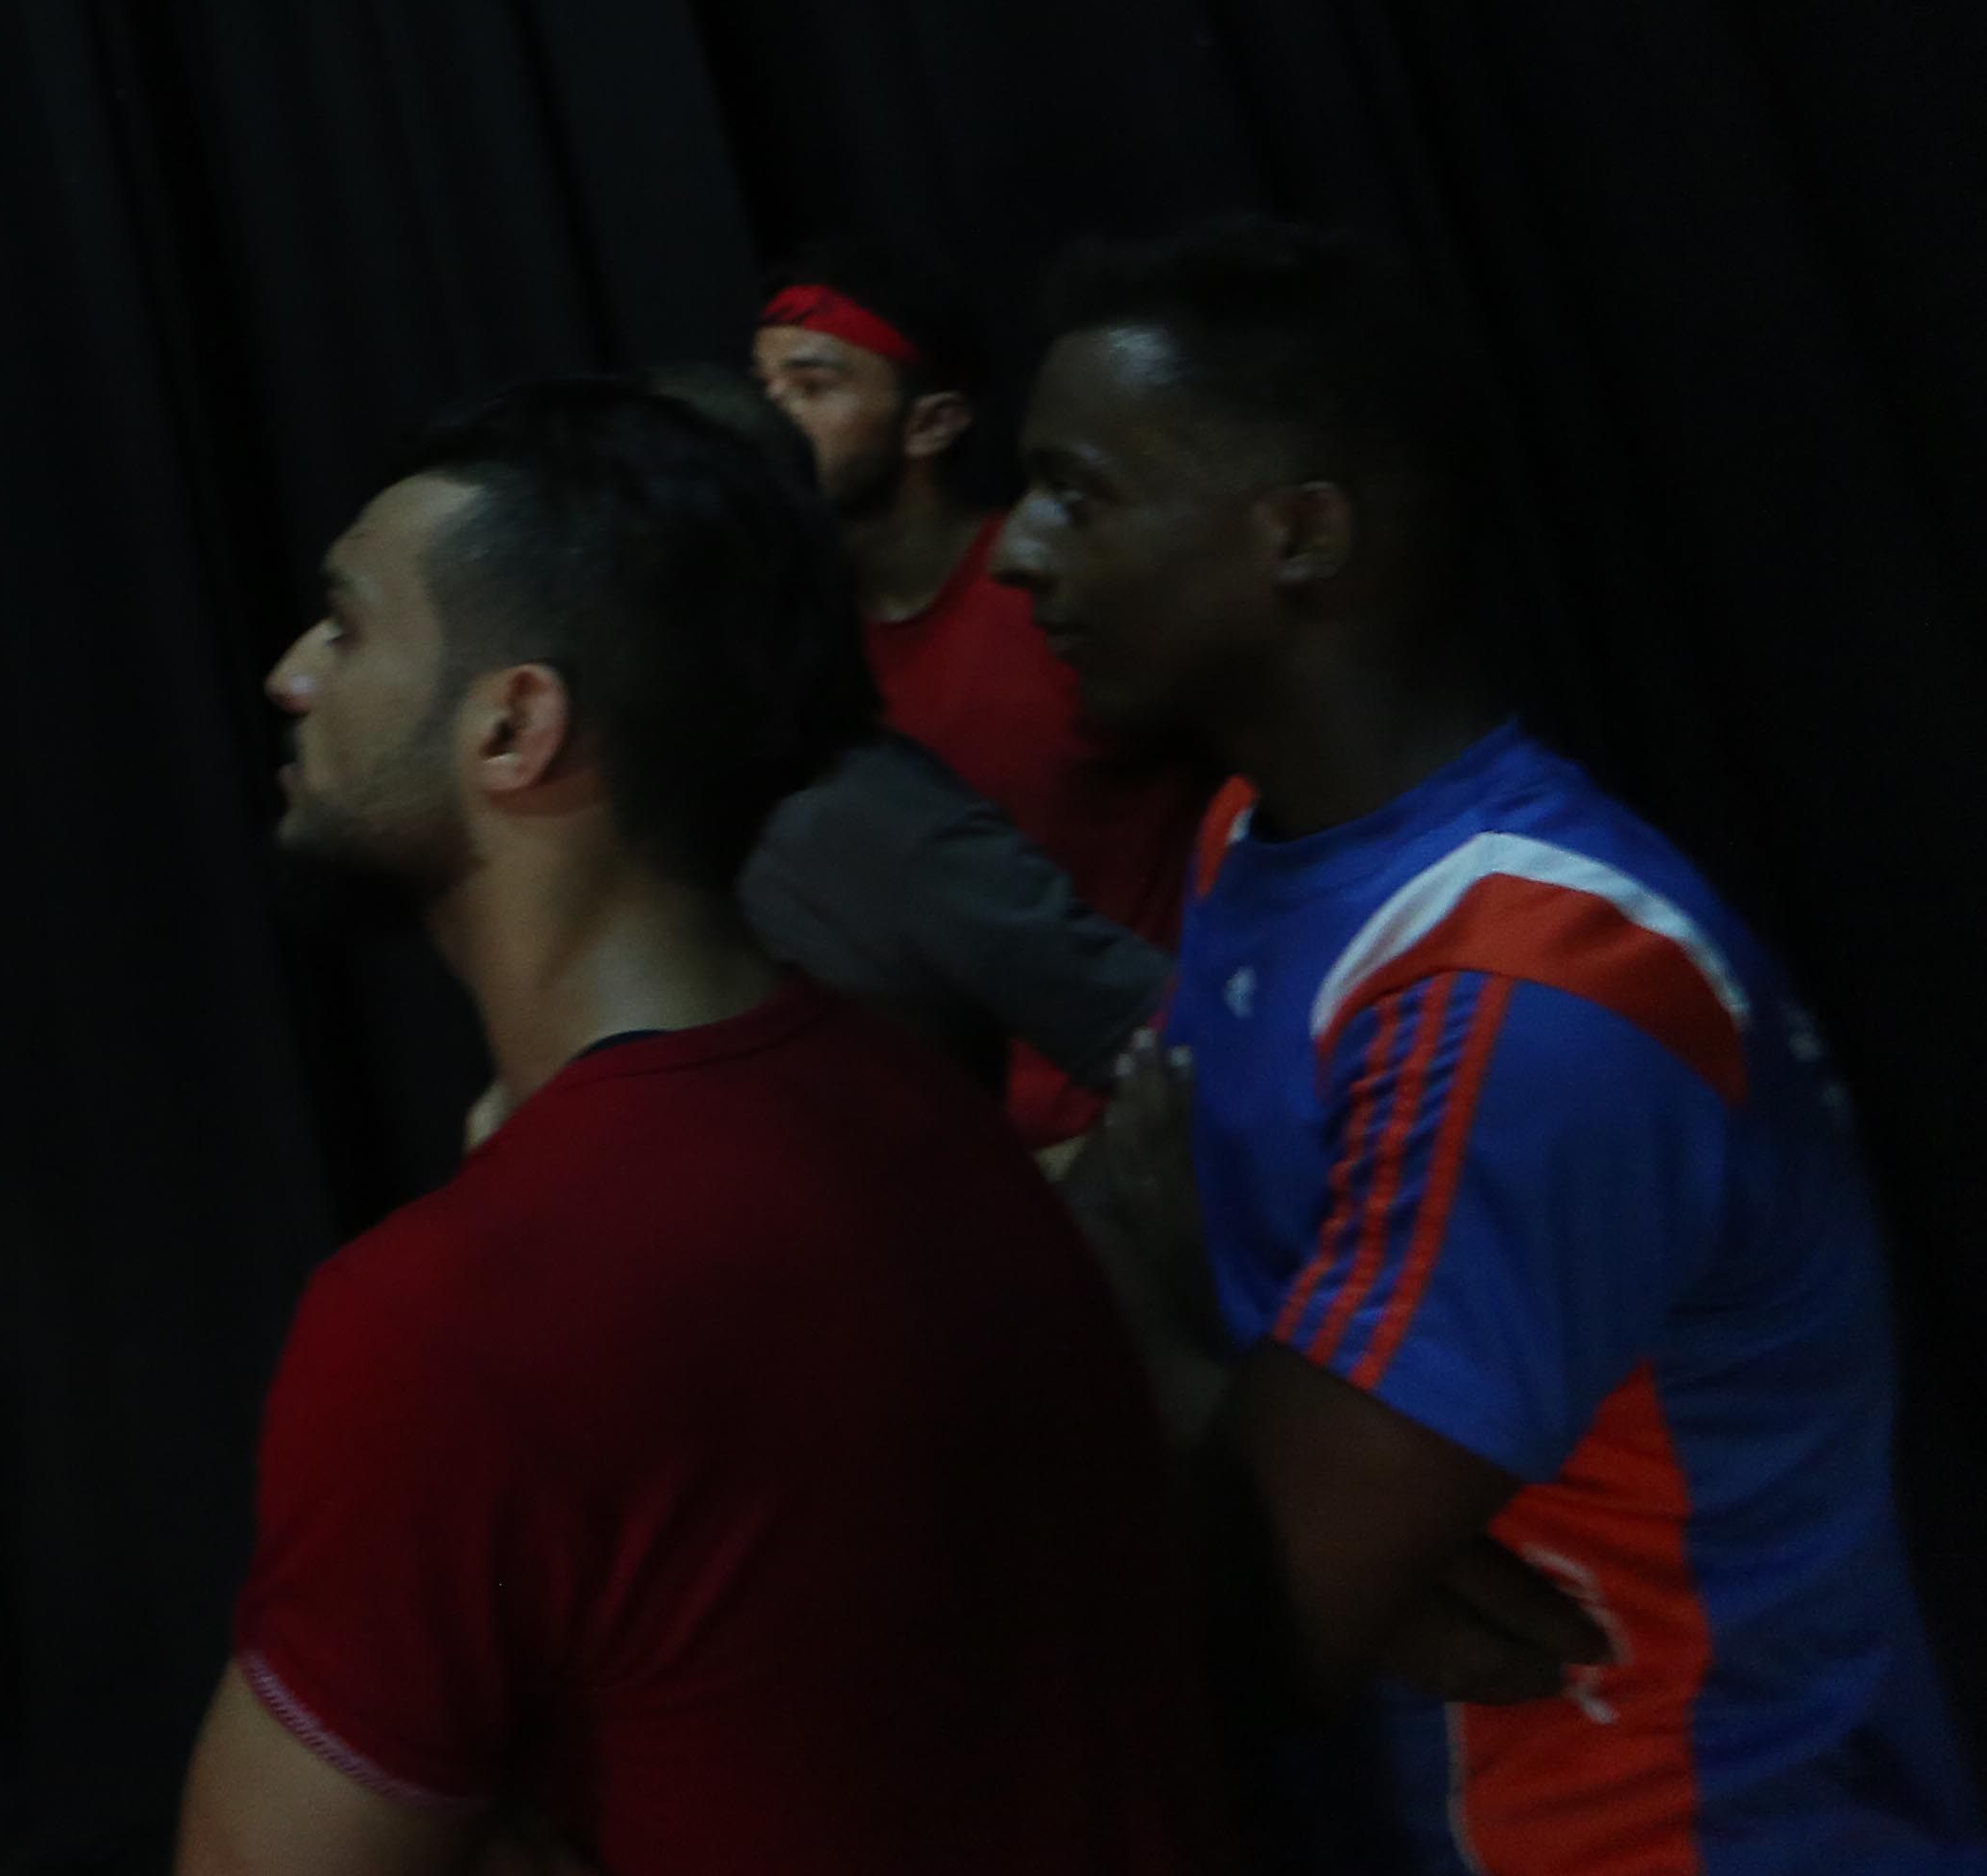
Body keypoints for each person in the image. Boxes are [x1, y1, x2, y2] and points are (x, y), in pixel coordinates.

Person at [1016, 219, 1980, 1870]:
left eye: (1079, 493)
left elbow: (1236, 1642)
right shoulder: (1262, 839)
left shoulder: (1534, 986)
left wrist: (1128, 1293)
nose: (1018, 555)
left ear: (1300, 537)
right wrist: (1293, 1507)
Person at [182, 379, 1211, 1875]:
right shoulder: (920, 1114)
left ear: (517, 725)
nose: (290, 676)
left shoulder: (456, 1316)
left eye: (344, 628)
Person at [758, 239, 1211, 1138]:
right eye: (762, 389)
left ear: (930, 424)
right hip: (961, 1163)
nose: (774, 421)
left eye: (812, 388)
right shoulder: (785, 659)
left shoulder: (1060, 597)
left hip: (1161, 1109)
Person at [644, 364, 1172, 1105]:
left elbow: (1170, 1047)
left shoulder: (860, 815)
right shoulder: (639, 819)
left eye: (812, 381)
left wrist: (1070, 1205)